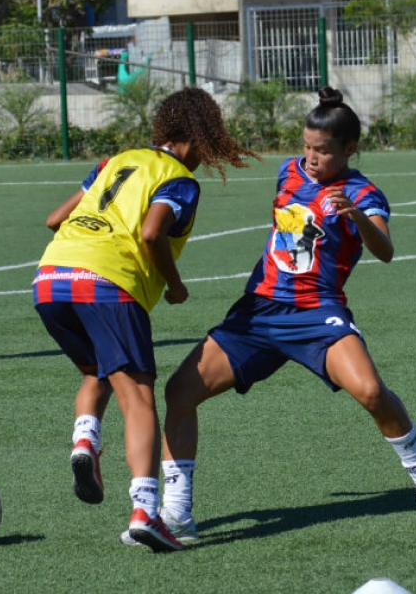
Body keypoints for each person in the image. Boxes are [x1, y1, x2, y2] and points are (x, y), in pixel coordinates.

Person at [153, 86, 416, 545]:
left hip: (317, 313)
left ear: (350, 149)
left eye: (323, 150)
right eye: (306, 146)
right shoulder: (287, 173)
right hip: (258, 310)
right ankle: (176, 515)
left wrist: (356, 216)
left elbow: (385, 250)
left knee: (372, 392)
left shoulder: (362, 192)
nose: (312, 157)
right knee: (180, 391)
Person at [32, 87, 258, 551]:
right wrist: (173, 285)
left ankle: (85, 440)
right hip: (107, 282)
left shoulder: (117, 160)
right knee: (138, 397)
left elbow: (55, 219)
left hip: (51, 277)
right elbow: (153, 231)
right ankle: (146, 510)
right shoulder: (178, 179)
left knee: (97, 370)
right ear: (196, 138)